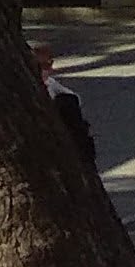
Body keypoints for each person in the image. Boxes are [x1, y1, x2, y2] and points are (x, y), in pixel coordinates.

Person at [32, 46, 96, 175]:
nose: (45, 70)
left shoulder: (51, 84)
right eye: (40, 66)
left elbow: (74, 98)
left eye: (48, 65)